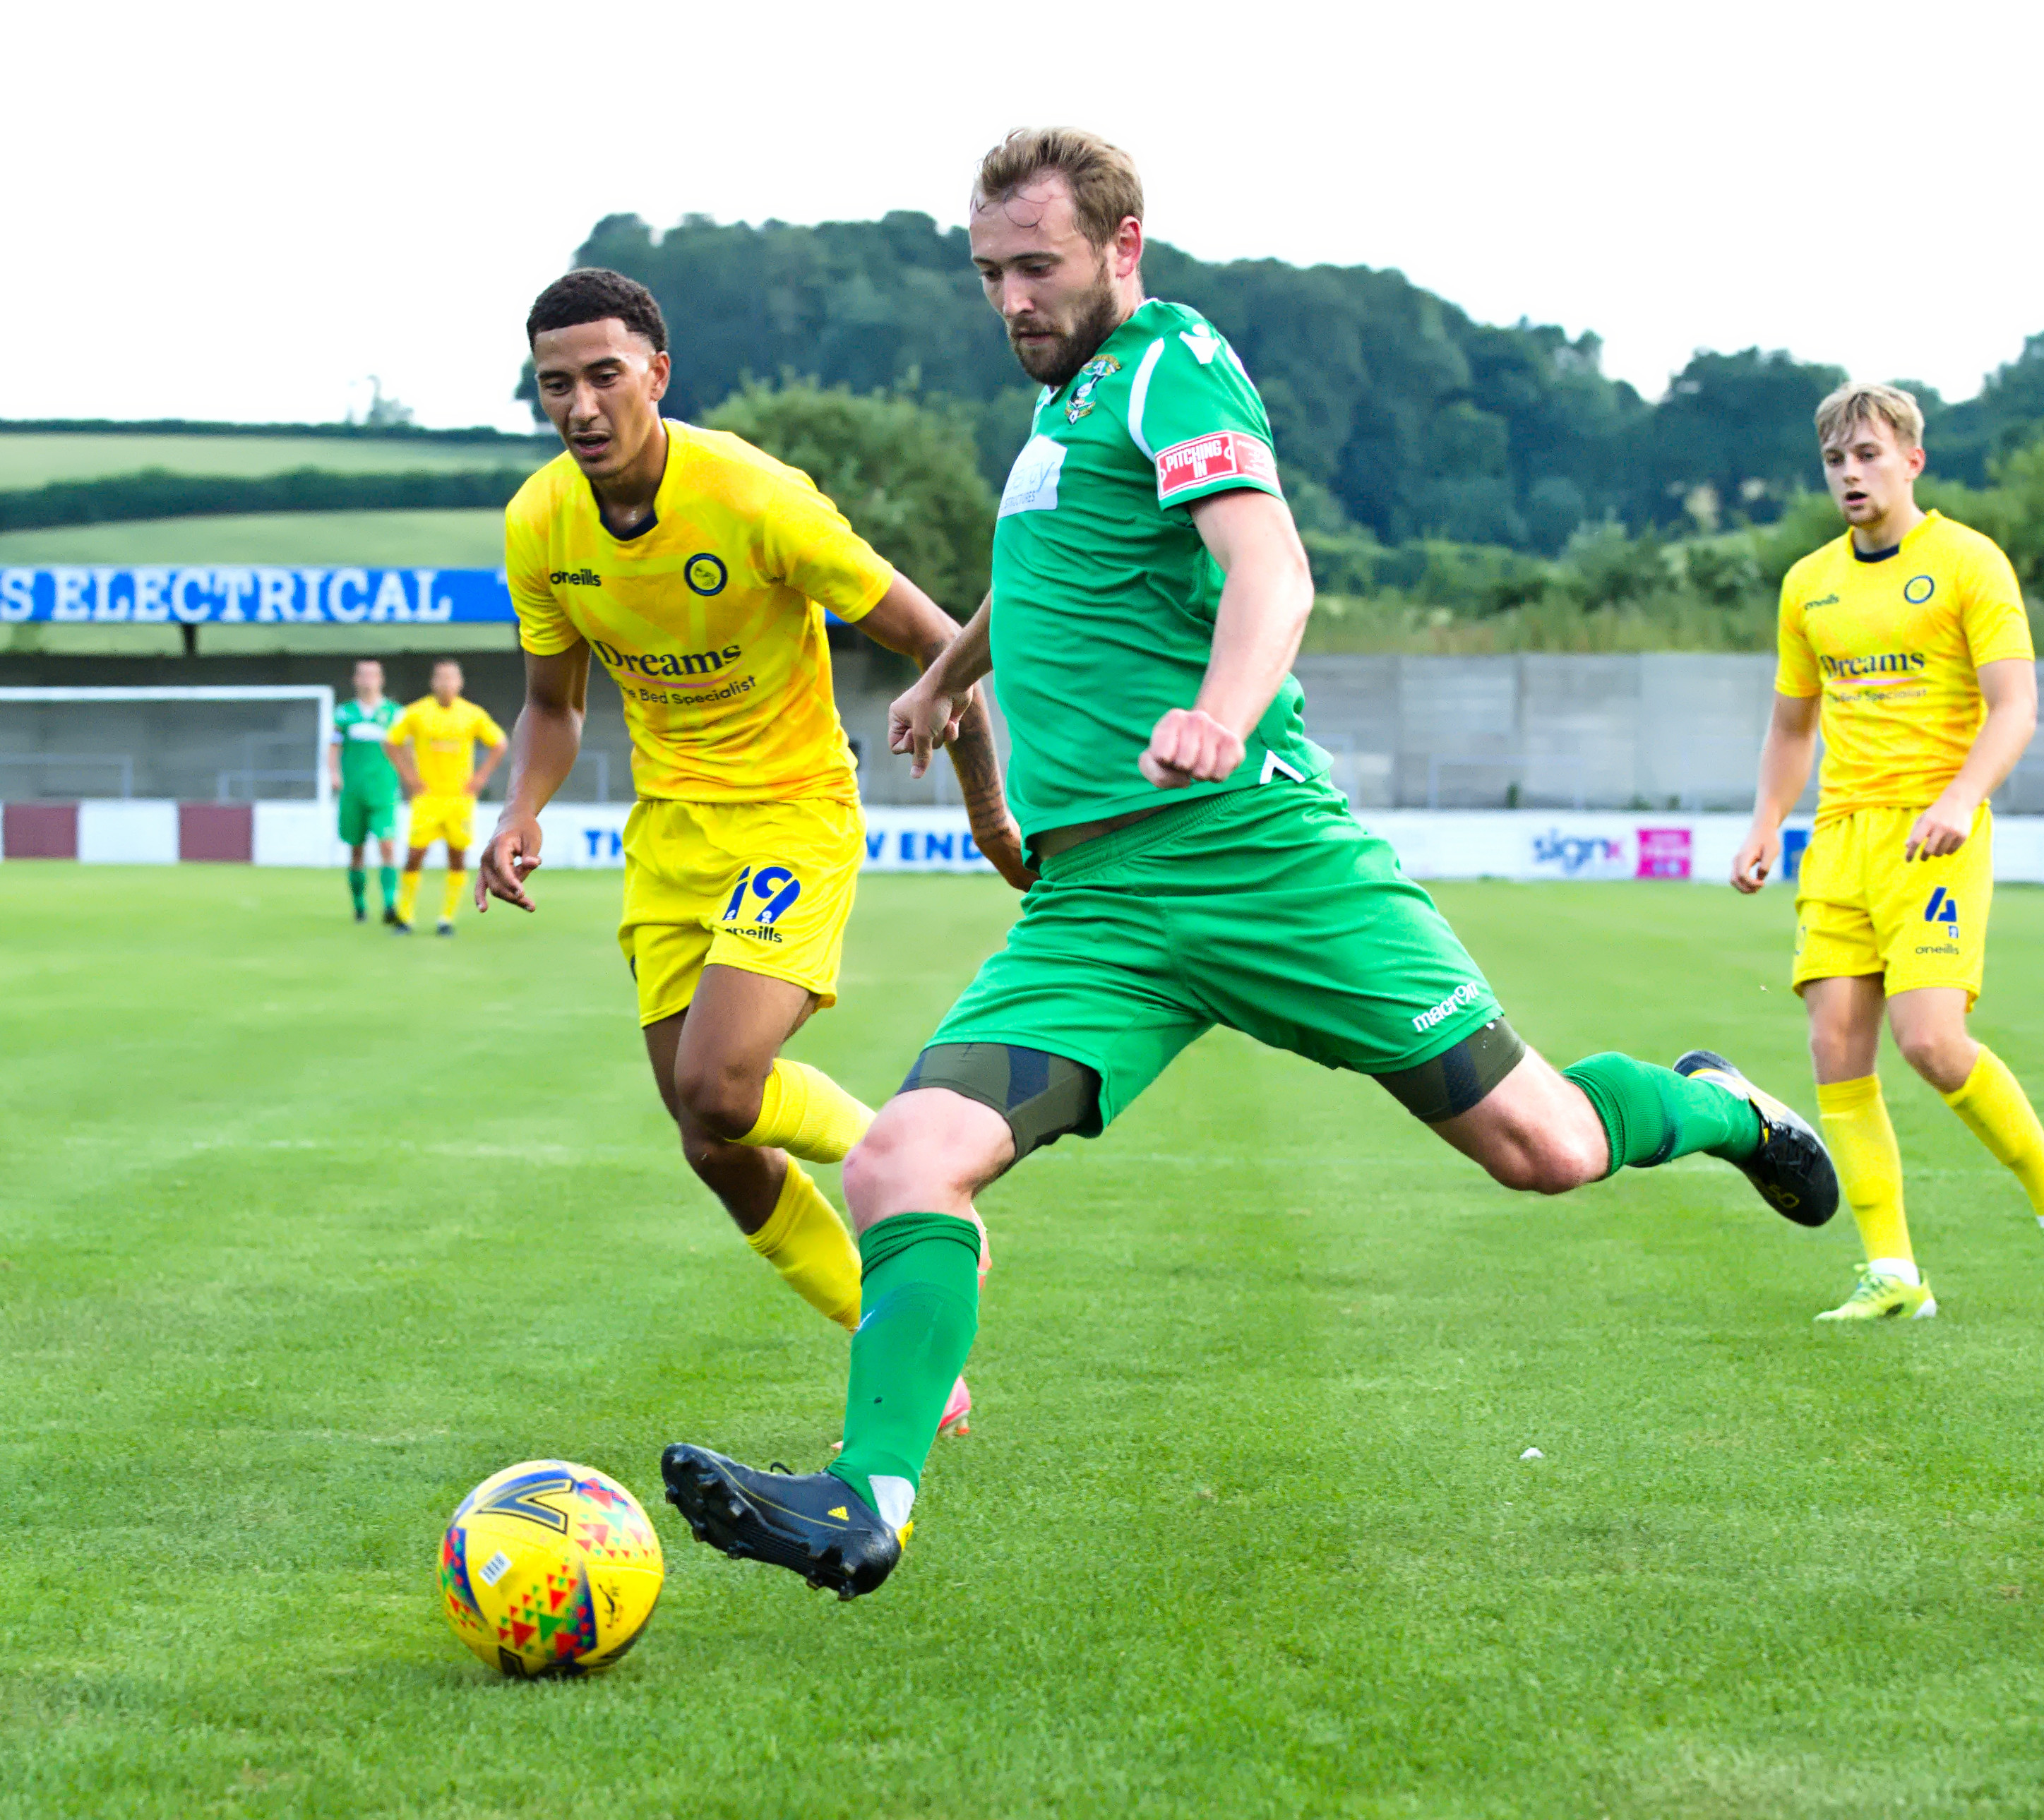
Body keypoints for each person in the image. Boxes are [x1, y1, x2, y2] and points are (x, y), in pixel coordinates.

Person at [657, 127, 1841, 1600]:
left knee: (1546, 1149)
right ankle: (866, 1496)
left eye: (1038, 266)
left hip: (1259, 856)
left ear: (1123, 245)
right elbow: (1052, 576)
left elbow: (1268, 564)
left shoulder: (1171, 361)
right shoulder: (1061, 418)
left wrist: (1219, 715)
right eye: (988, 274)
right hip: (1099, 908)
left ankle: (1715, 1106)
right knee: (906, 1154)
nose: (1012, 299)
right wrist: (951, 671)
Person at [476, 268, 1029, 1435]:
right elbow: (553, 704)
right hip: (671, 839)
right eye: (556, 385)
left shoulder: (755, 498)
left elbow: (947, 648)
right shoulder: (540, 525)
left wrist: (990, 816)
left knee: (720, 1083)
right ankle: (911, 1357)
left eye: (605, 376)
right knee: (710, 1140)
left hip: (791, 814)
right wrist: (520, 809)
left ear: (658, 375)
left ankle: (900, 1160)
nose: (581, 406)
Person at [1730, 383, 2043, 1321]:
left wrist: (1958, 798)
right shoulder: (1808, 583)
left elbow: (2014, 705)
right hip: (1839, 841)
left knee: (1932, 1043)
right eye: (1833, 459)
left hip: (1932, 834)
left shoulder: (1965, 563)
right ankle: (1893, 1274)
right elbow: (1791, 726)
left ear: (1910, 458)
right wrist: (1763, 823)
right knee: (1832, 1047)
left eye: (1866, 454)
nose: (1848, 474)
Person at [386, 659, 506, 935]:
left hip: (459, 800)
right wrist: (410, 777)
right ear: (433, 682)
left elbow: (499, 743)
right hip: (427, 799)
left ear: (460, 683)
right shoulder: (416, 712)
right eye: (441, 678)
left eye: (451, 678)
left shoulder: (472, 714)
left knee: (457, 858)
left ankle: (446, 919)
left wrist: (480, 777)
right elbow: (391, 742)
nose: (446, 683)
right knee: (415, 855)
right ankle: (405, 918)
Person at [329, 657, 401, 922]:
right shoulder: (344, 713)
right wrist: (334, 773)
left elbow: (405, 749)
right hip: (354, 792)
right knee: (356, 850)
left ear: (381, 679)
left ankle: (390, 904)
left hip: (384, 791)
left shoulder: (395, 713)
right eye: (363, 675)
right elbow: (334, 747)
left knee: (387, 846)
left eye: (373, 675)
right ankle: (359, 905)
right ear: (355, 680)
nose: (368, 680)